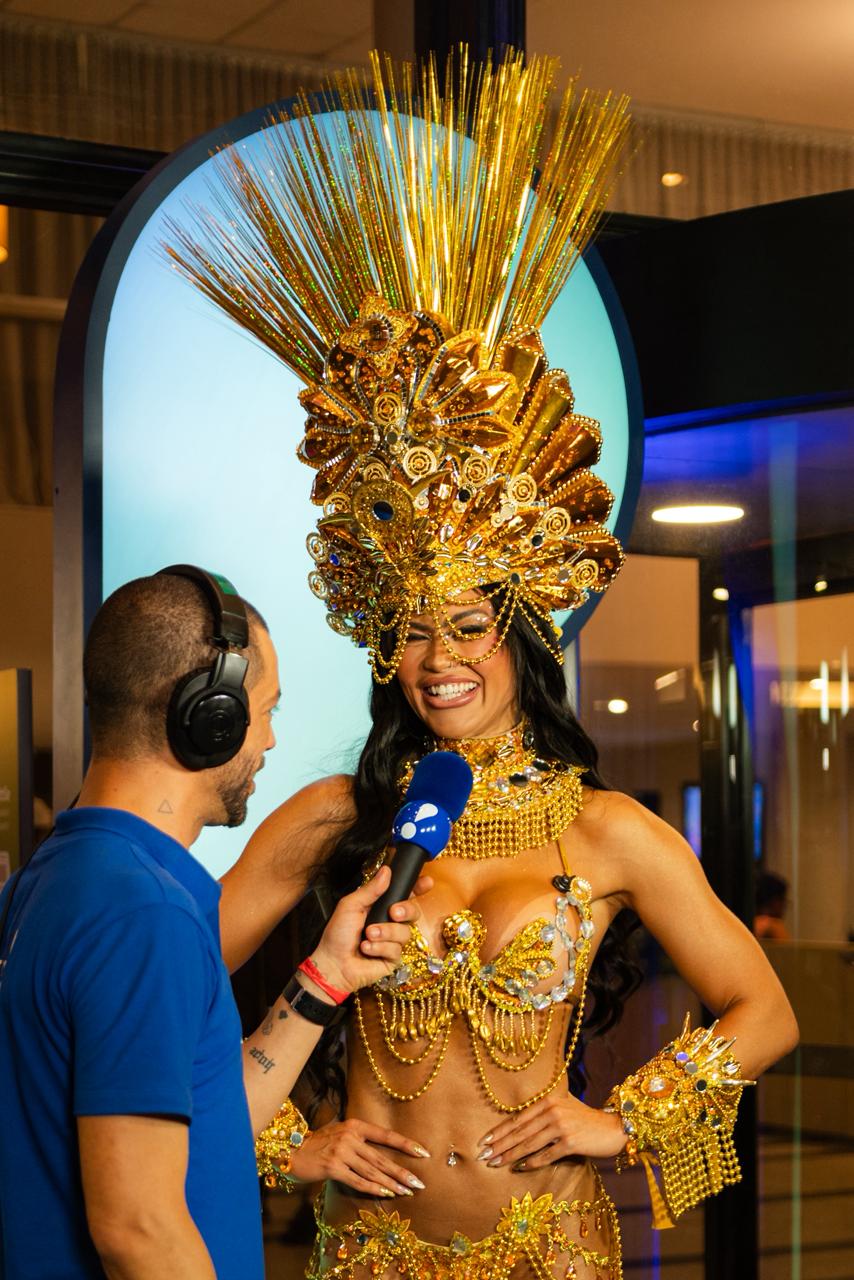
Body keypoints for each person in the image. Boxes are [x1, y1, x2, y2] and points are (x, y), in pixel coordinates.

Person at [165, 50, 800, 1279]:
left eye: (466, 625)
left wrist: (621, 1122)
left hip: (551, 1249)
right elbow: (169, 982)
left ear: (519, 633)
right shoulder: (336, 815)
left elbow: (763, 1007)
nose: (438, 658)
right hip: (371, 1253)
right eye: (410, 628)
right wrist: (290, 1143)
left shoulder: (604, 830)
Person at [0, 566, 431, 1280]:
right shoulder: (145, 916)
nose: (269, 741)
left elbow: (207, 1119)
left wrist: (327, 975)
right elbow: (138, 1230)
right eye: (265, 710)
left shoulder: (57, 878)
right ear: (210, 717)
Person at [754, 871, 791, 941]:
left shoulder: (742, 925)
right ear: (774, 901)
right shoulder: (773, 926)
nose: (785, 906)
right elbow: (786, 947)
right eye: (782, 900)